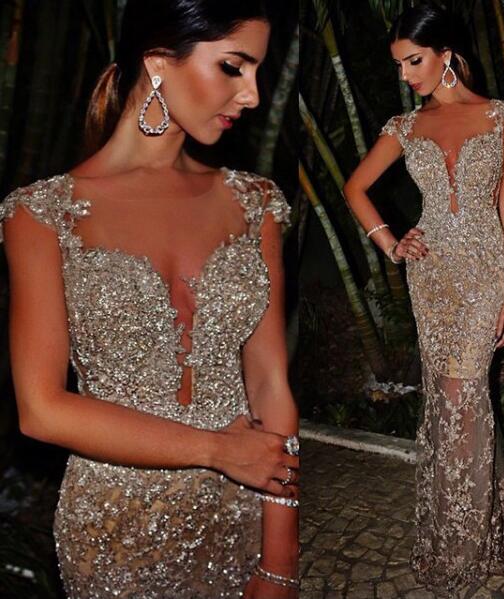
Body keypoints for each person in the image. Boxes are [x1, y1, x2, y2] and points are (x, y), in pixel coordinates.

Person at [0, 1, 299, 598]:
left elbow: (269, 383)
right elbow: (42, 410)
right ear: (159, 61)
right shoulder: (41, 214)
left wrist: (280, 560)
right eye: (234, 66)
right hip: (114, 531)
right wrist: (217, 450)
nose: (252, 95)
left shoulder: (255, 204)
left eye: (257, 72)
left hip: (240, 513)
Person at [343, 3, 504, 597]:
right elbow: (355, 187)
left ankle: (460, 545)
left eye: (414, 61)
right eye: (399, 65)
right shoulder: (404, 126)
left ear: (446, 54)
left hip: (485, 273)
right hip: (431, 276)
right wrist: (391, 242)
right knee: (453, 400)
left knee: (460, 394)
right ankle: (491, 524)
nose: (405, 74)